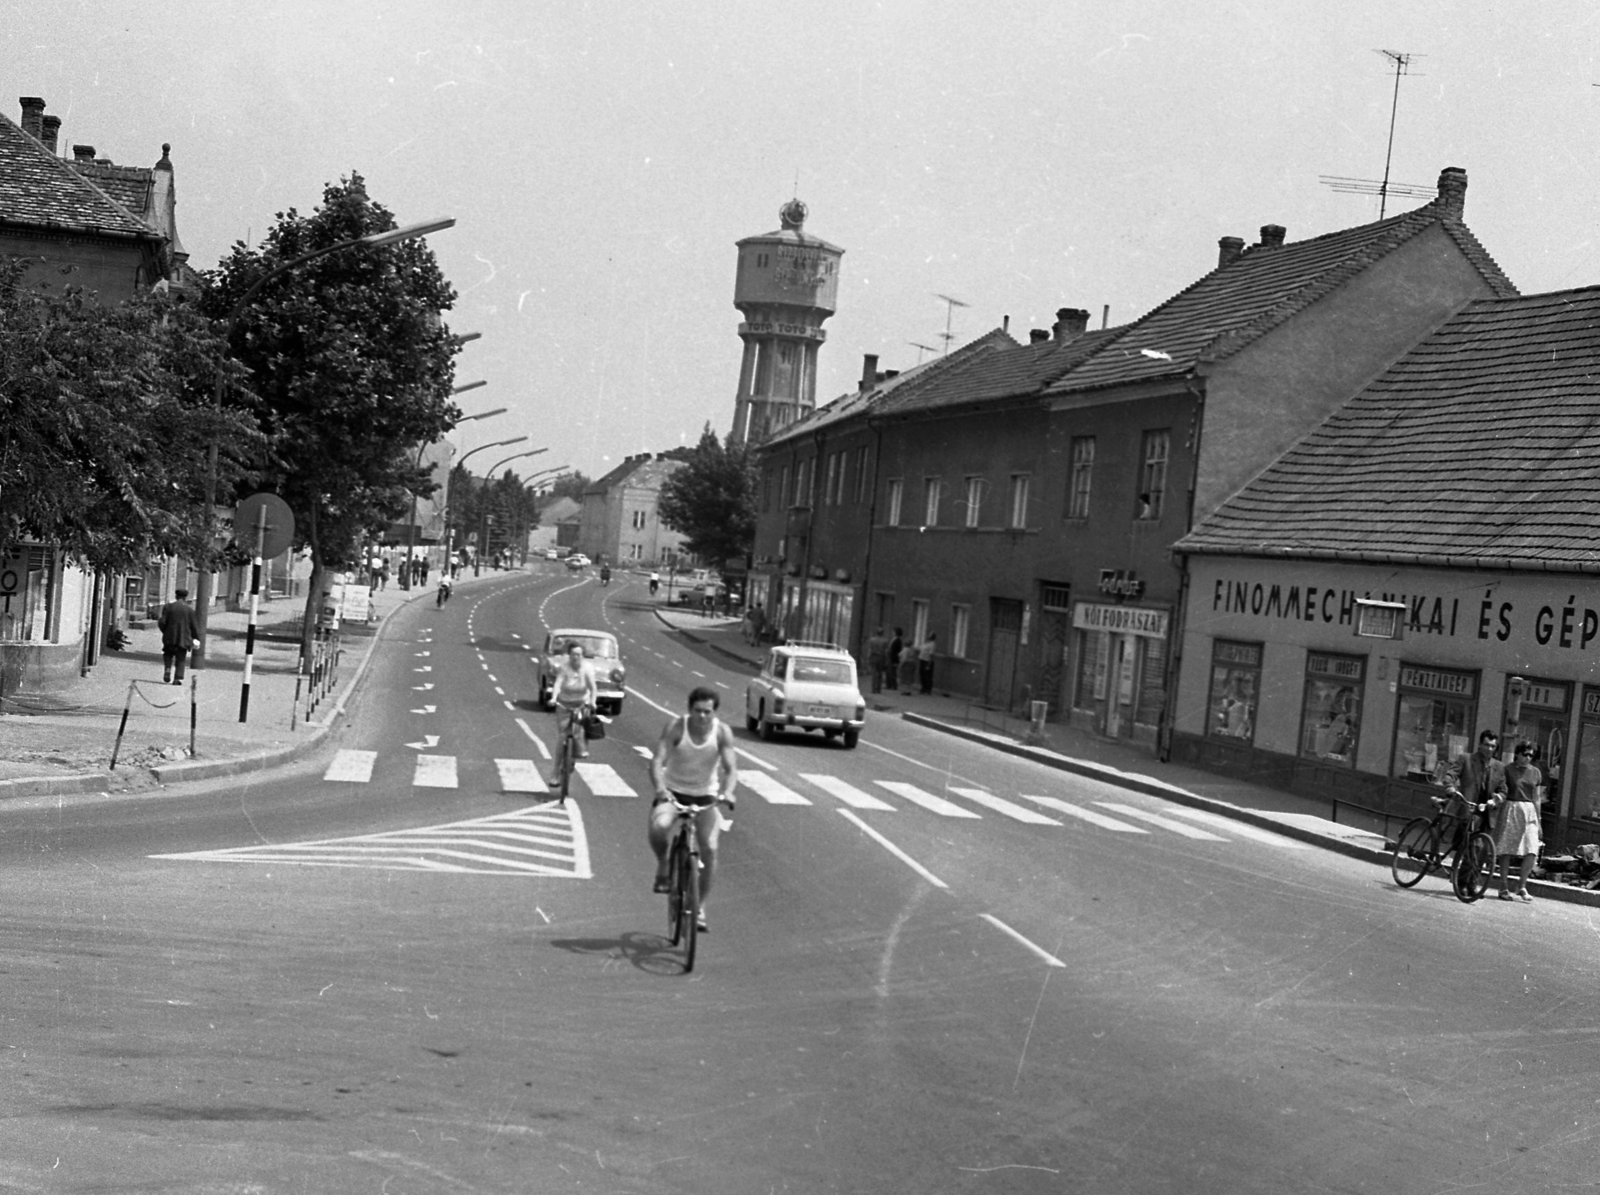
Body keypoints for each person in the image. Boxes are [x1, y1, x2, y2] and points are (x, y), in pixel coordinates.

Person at [648, 685, 738, 932]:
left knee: (710, 848)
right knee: (659, 827)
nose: (702, 717)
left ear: (714, 713)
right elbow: (658, 760)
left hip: (705, 795)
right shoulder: (676, 727)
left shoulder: (722, 733)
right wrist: (660, 788)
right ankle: (664, 864)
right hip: (673, 791)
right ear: (689, 710)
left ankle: (699, 907)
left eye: (707, 712)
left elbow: (731, 769)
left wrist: (728, 792)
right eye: (698, 711)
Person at [1495, 740, 1542, 902]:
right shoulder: (1507, 770)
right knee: (1507, 849)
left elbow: (1536, 798)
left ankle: (1521, 885)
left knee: (1532, 850)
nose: (1528, 758)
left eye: (1531, 755)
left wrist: (1539, 820)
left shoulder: (1535, 772)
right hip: (1511, 808)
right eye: (1525, 754)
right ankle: (1503, 886)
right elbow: (1501, 789)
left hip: (1529, 812)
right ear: (1517, 754)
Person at [548, 640, 598, 785]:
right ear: (569, 655)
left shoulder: (587, 669)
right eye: (573, 654)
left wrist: (592, 702)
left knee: (579, 732)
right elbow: (557, 684)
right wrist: (553, 697)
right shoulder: (564, 668)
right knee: (562, 735)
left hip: (581, 704)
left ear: (582, 656)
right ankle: (555, 772)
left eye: (579, 654)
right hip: (564, 704)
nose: (576, 657)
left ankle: (574, 757)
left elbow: (593, 688)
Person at [1445, 729, 1507, 841]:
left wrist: (1498, 798)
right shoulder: (1466, 759)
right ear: (1479, 744)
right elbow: (1451, 775)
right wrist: (1450, 788)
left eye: (1493, 746)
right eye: (1486, 745)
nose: (1489, 749)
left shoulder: (1499, 767)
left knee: (1480, 846)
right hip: (1467, 807)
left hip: (1487, 811)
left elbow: (1503, 790)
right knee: (1469, 843)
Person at [157, 588, 200, 685]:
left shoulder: (168, 607)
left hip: (169, 637)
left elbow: (162, 622)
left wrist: (166, 631)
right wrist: (196, 638)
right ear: (185, 597)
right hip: (183, 639)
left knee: (168, 654)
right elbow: (194, 627)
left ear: (176, 596)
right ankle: (177, 678)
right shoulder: (190, 610)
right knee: (181, 658)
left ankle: (167, 669)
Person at [866, 627, 889, 694]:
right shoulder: (885, 641)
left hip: (874, 656)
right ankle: (878, 689)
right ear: (882, 633)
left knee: (874, 673)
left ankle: (873, 689)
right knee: (880, 673)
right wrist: (887, 659)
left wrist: (868, 658)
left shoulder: (872, 640)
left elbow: (869, 650)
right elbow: (886, 651)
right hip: (881, 657)